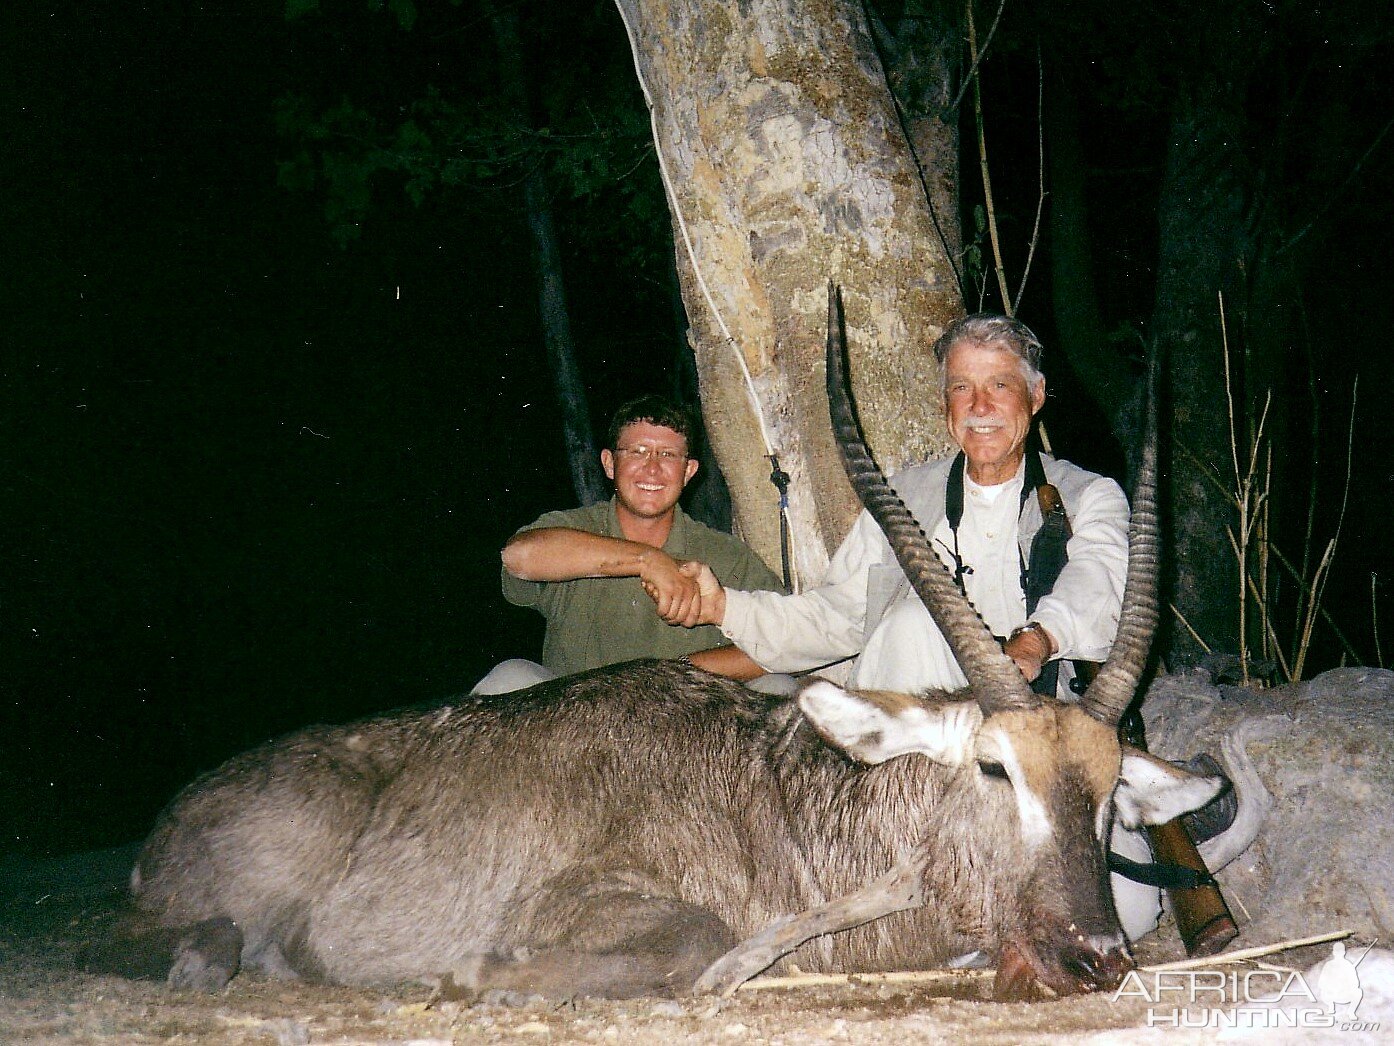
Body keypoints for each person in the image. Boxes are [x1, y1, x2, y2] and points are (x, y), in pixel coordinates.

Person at [674, 314, 1130, 697]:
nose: (980, 405)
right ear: (944, 404)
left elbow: (1097, 581)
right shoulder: (902, 498)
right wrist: (723, 608)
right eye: (961, 388)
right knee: (910, 625)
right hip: (917, 705)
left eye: (1000, 385)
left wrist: (1038, 639)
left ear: (1035, 395)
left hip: (1035, 713)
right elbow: (840, 615)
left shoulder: (1087, 494)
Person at [472, 394, 784, 694]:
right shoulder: (574, 529)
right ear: (609, 464)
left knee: (780, 690)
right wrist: (648, 560)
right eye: (637, 451)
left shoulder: (726, 555)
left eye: (668, 455)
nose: (652, 468)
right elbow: (518, 556)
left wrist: (677, 673)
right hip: (577, 721)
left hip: (689, 724)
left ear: (688, 472)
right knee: (508, 678)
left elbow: (785, 642)